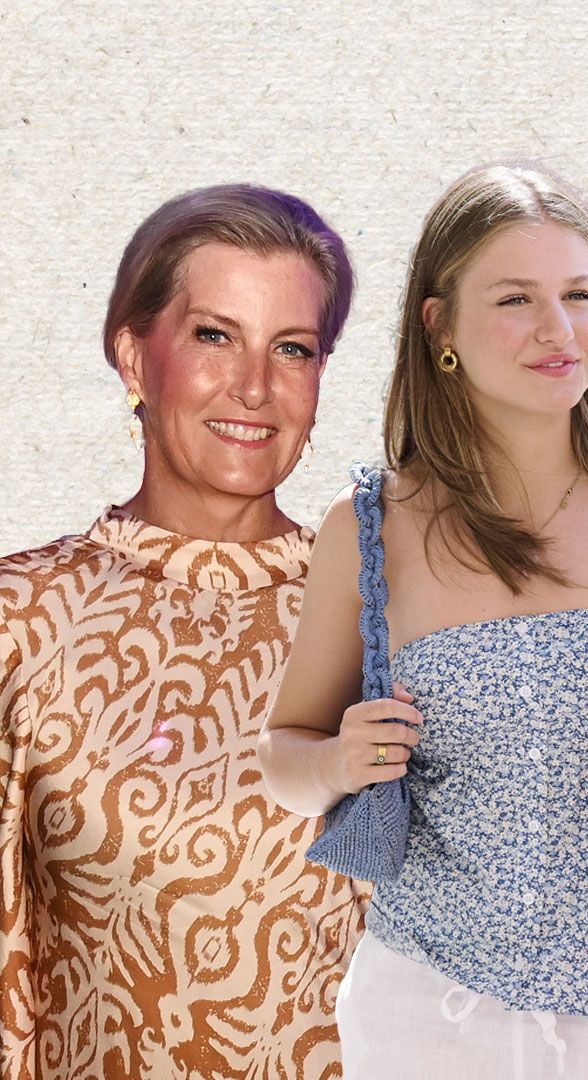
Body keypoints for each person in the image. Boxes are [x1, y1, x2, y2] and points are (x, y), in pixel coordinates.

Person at [258, 163, 588, 1078]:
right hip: (432, 1012)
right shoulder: (370, 527)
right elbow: (284, 756)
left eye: (578, 294)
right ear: (438, 324)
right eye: (516, 299)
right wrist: (335, 760)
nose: (559, 329)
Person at [0, 185, 361, 1079]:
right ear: (133, 355)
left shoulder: (391, 622)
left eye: (292, 349)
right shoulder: (20, 623)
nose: (254, 387)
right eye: (214, 336)